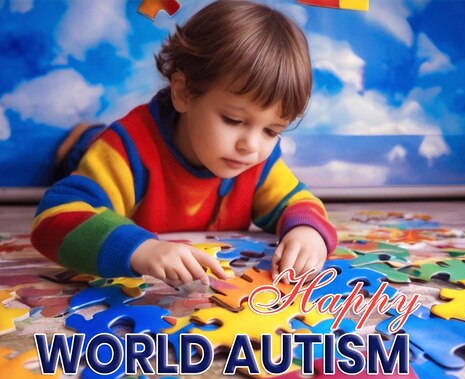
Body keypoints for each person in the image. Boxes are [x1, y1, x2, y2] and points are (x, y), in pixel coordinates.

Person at [31, 0, 337, 287]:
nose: (251, 145)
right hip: (94, 148)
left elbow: (299, 202)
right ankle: (80, 138)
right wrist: (141, 249)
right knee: (84, 150)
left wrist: (307, 233)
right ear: (184, 93)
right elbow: (53, 218)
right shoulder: (127, 149)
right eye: (233, 120)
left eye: (272, 131)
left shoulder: (255, 161)